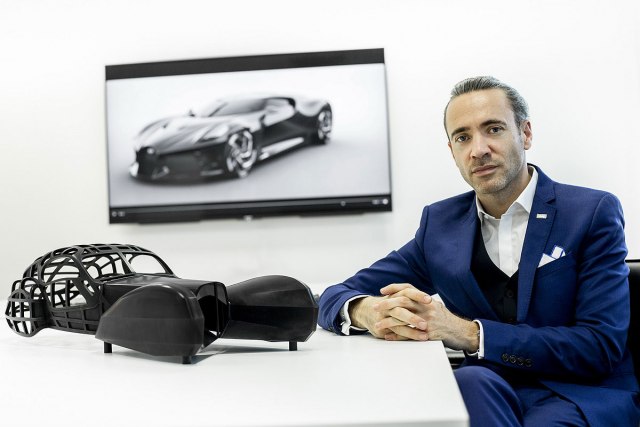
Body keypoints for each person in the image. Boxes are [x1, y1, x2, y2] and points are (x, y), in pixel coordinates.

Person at [317, 76, 640, 426]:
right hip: (489, 387)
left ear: (525, 134)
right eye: (463, 137)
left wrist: (468, 333)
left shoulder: (591, 212)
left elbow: (600, 346)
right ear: (452, 152)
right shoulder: (440, 225)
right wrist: (368, 311)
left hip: (579, 394)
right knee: (466, 382)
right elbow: (334, 295)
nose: (478, 149)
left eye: (494, 129)